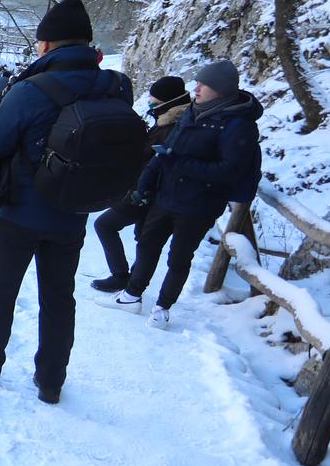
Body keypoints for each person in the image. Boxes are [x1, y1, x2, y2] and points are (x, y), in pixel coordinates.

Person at [0, 0, 133, 404]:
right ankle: (51, 381)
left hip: (19, 210)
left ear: (46, 45)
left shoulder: (30, 89)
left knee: (0, 292)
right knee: (58, 298)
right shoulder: (116, 86)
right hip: (73, 210)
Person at [111, 59, 263, 327]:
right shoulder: (194, 110)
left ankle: (162, 308)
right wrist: (145, 184)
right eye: (198, 82)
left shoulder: (239, 124)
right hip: (167, 195)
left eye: (205, 84)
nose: (197, 87)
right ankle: (132, 295)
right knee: (147, 245)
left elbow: (230, 171)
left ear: (222, 89)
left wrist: (178, 164)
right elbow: (167, 151)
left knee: (179, 258)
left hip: (199, 205)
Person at [89, 75, 191, 292]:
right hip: (147, 189)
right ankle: (131, 279)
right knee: (142, 236)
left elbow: (157, 160)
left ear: (166, 101)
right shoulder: (168, 120)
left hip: (148, 191)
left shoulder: (175, 125)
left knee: (106, 225)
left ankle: (123, 278)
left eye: (154, 99)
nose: (150, 102)